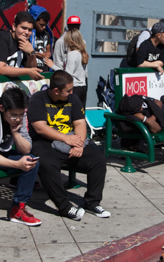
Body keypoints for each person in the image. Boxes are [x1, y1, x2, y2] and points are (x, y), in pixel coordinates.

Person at [28, 71, 108, 221]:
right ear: (56, 90)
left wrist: (79, 145)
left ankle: (92, 202)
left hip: (72, 138)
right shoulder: (38, 99)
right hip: (45, 141)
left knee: (98, 159)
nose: (72, 92)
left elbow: (79, 123)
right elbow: (40, 128)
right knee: (47, 164)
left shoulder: (73, 98)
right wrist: (66, 138)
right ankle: (65, 207)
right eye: (68, 90)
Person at [0, 86, 41, 226]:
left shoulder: (19, 116)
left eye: (21, 114)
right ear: (2, 108)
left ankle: (18, 209)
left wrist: (16, 133)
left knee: (31, 161)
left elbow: (26, 149)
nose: (17, 119)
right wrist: (16, 164)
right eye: (13, 115)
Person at [0, 11, 43, 80]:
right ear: (14, 27)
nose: (26, 32)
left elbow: (32, 68)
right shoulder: (2, 38)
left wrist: (31, 53)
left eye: (30, 30)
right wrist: (28, 71)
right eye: (23, 28)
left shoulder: (25, 41)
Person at [60, 26, 90, 107]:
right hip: (83, 86)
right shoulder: (82, 53)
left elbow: (67, 75)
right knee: (80, 112)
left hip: (74, 88)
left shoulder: (72, 54)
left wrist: (53, 66)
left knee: (71, 113)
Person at [29, 5, 56, 72]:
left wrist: (45, 56)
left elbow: (48, 51)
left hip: (44, 68)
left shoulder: (47, 33)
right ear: (34, 21)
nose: (43, 27)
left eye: (45, 24)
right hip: (31, 69)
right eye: (41, 24)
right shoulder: (28, 34)